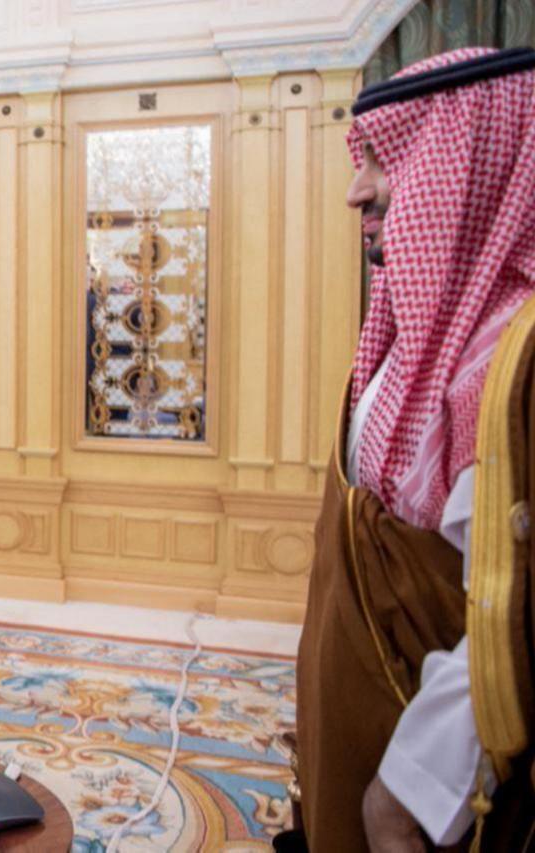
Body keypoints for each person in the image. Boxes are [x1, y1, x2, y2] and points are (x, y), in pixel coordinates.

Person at [297, 47, 535, 851]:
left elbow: (512, 619)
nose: (355, 189)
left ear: (462, 161)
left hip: (430, 791)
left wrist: (404, 792)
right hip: (363, 721)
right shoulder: (420, 335)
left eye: (381, 160)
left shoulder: (508, 359)